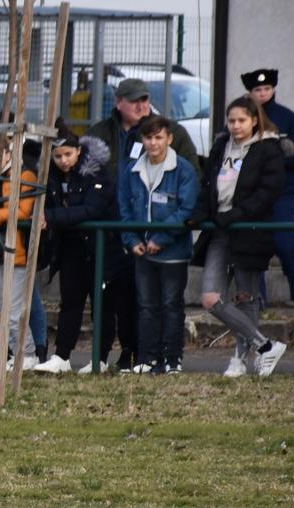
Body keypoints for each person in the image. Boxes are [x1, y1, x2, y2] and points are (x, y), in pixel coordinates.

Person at [198, 96, 290, 377]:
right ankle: (265, 345)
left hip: (250, 232)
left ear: (254, 120)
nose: (236, 126)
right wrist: (204, 214)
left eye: (241, 120)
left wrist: (237, 214)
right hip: (220, 231)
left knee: (245, 297)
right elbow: (208, 183)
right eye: (231, 121)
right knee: (210, 298)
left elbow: (268, 192)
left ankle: (238, 360)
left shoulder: (268, 150)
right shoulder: (221, 147)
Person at [32, 132, 120, 374]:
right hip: (70, 248)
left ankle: (99, 358)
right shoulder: (49, 175)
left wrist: (50, 217)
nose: (63, 160)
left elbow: (92, 209)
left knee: (101, 305)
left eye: (68, 154)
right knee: (70, 302)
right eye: (58, 156)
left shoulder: (97, 173)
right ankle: (62, 355)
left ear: (79, 151)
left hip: (100, 247)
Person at [118, 115, 197, 375]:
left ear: (169, 138)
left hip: (173, 252)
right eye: (148, 137)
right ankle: (147, 358)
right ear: (142, 139)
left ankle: (172, 359)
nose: (153, 143)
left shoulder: (183, 169)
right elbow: (125, 209)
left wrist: (160, 239)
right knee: (146, 306)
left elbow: (185, 210)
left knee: (171, 306)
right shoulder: (131, 170)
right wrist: (131, 240)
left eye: (159, 137)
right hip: (141, 251)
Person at [0, 136, 48, 370]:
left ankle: (28, 353)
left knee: (14, 310)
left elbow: (22, 210)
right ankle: (18, 352)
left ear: (8, 154)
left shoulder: (25, 176)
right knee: (3, 309)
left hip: (18, 250)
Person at [241, 69, 294, 315]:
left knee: (288, 248)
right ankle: (258, 301)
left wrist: (280, 158)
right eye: (258, 90)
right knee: (255, 251)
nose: (263, 93)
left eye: (267, 89)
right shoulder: (243, 119)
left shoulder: (287, 118)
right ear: (250, 93)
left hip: (282, 196)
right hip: (253, 197)